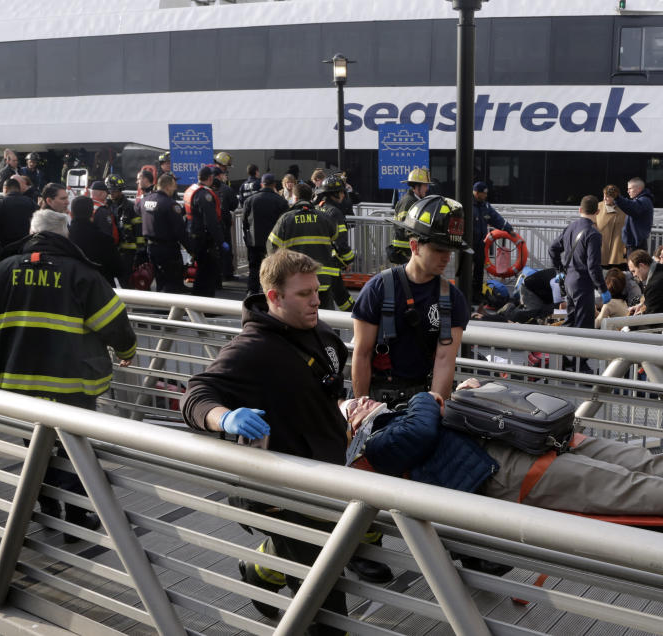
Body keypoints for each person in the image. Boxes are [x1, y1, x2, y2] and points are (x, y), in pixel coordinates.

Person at [181, 249, 349, 629]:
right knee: (325, 599)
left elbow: (326, 394)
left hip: (327, 474)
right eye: (304, 293)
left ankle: (261, 569)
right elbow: (195, 395)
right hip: (284, 491)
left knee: (333, 552)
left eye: (316, 290)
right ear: (274, 297)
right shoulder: (251, 349)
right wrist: (225, 417)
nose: (317, 300)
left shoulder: (321, 333)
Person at [350, 380, 663, 518]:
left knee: (631, 458)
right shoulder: (372, 446)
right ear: (351, 425)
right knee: (614, 484)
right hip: (496, 473)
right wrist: (430, 395)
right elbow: (421, 434)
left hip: (511, 445)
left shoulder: (396, 416)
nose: (362, 399)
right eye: (353, 405)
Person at [0, 209, 136, 542]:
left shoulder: (2, 271)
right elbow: (114, 325)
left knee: (35, 451)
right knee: (74, 452)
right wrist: (127, 353)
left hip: (17, 384)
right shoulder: (80, 273)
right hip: (72, 384)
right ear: (64, 235)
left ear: (31, 232)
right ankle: (77, 520)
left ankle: (49, 512)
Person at [352, 195, 471, 406]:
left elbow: (444, 361)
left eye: (450, 251)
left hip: (421, 400)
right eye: (438, 249)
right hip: (379, 401)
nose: (446, 258)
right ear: (414, 246)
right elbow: (362, 354)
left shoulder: (453, 299)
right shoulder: (377, 289)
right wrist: (362, 409)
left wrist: (432, 411)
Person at [267, 182, 346, 308]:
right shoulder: (325, 218)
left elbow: (272, 247)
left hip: (297, 281)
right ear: (311, 197)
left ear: (295, 198)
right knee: (325, 319)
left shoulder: (286, 219)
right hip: (323, 279)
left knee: (300, 319)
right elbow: (337, 239)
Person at [548, 195, 611, 330]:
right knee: (584, 327)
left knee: (570, 321)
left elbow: (553, 249)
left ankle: (562, 350)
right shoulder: (593, 234)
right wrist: (603, 289)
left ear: (580, 210)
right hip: (583, 284)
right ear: (598, 212)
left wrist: (558, 269)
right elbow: (593, 266)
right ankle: (574, 351)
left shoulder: (570, 227)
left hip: (569, 281)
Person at [242, 173, 290, 295]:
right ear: (274, 184)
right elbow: (285, 222)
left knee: (254, 267)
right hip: (273, 241)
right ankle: (272, 291)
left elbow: (244, 222)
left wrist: (247, 236)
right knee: (273, 268)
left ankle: (251, 292)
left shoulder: (250, 200)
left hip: (254, 240)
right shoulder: (281, 201)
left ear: (262, 184)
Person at [184, 166, 227, 297]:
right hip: (204, 238)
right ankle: (206, 305)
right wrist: (221, 241)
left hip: (193, 234)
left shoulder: (191, 190)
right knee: (207, 272)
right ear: (210, 178)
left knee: (201, 271)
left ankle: (199, 301)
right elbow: (211, 222)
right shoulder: (205, 195)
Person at [141, 173, 188, 294]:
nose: (175, 188)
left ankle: (161, 308)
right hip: (168, 249)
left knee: (160, 279)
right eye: (174, 186)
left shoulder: (145, 200)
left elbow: (137, 210)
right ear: (167, 187)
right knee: (172, 282)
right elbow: (180, 231)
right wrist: (192, 249)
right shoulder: (170, 204)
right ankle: (172, 310)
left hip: (151, 248)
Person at [314, 174, 355, 311]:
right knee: (330, 305)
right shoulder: (335, 213)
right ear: (335, 194)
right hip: (330, 265)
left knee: (342, 298)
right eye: (342, 192)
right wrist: (348, 261)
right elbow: (341, 243)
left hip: (317, 263)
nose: (344, 195)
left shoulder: (318, 208)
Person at [471, 181, 514, 304]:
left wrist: (508, 229)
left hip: (480, 244)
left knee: (478, 272)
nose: (485, 196)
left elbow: (496, 218)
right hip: (468, 245)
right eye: (484, 193)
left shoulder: (485, 206)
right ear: (476, 193)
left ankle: (477, 296)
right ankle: (465, 294)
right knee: (466, 272)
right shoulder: (467, 204)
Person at [68, 195, 123, 286]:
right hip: (101, 289)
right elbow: (118, 270)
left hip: (72, 289)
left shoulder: (64, 238)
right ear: (92, 213)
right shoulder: (105, 240)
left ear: (72, 213)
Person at [387, 168, 432, 264]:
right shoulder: (408, 202)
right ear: (416, 186)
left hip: (411, 251)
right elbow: (403, 227)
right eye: (425, 185)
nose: (427, 188)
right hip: (405, 253)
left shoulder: (415, 201)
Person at [106, 174, 145, 283]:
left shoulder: (130, 207)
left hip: (128, 253)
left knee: (127, 282)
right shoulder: (105, 206)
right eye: (110, 191)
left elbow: (139, 230)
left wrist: (140, 251)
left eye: (115, 190)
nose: (113, 193)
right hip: (112, 251)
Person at [0, 177, 37, 257]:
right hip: (27, 248)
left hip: (6, 250)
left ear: (5, 189)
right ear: (19, 189)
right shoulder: (31, 203)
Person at [606, 177, 654, 256]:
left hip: (636, 245)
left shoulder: (644, 201)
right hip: (634, 244)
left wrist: (618, 198)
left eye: (630, 188)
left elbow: (632, 207)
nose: (628, 191)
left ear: (638, 189)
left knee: (635, 268)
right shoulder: (642, 200)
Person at [210, 164, 239, 282]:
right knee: (225, 249)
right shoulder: (226, 189)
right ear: (219, 175)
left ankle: (216, 274)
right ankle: (227, 273)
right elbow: (234, 205)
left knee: (212, 249)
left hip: (209, 225)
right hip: (223, 223)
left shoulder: (205, 188)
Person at [596, 184, 627, 270]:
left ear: (615, 197)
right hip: (602, 248)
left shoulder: (624, 207)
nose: (605, 198)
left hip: (618, 248)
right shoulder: (598, 206)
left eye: (608, 196)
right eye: (604, 195)